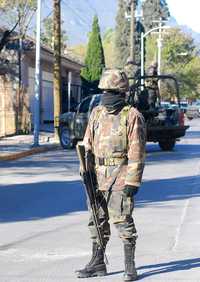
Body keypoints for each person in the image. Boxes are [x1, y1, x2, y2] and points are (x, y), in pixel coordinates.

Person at [76, 69, 146, 281]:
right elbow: (86, 143)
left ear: (122, 92)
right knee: (96, 219)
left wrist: (132, 181)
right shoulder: (97, 113)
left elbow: (137, 152)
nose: (107, 95)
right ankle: (97, 263)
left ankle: (129, 266)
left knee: (122, 220)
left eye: (112, 91)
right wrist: (85, 170)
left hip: (120, 175)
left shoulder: (132, 116)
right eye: (105, 91)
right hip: (96, 176)